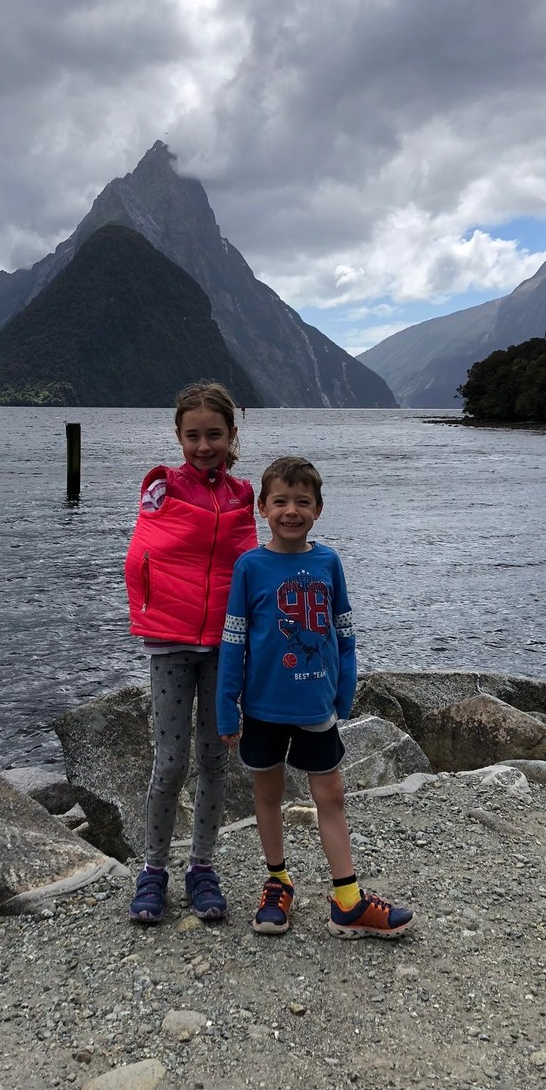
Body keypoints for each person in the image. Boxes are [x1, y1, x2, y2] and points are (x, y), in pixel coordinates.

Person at [216, 455, 415, 939]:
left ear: (318, 509)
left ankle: (347, 900)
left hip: (316, 706)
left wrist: (345, 687)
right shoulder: (249, 566)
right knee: (268, 793)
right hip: (261, 708)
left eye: (302, 501)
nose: (291, 510)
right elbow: (233, 639)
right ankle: (278, 881)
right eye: (280, 501)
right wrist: (227, 704)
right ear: (262, 506)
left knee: (331, 795)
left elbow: (343, 630)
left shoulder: (328, 562)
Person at [124, 381, 258, 924]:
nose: (204, 446)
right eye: (193, 435)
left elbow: (251, 567)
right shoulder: (163, 490)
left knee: (214, 759)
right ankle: (153, 869)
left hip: (224, 647)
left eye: (215, 435)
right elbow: (145, 552)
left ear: (231, 436)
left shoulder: (243, 495)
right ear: (178, 436)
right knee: (171, 761)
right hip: (171, 643)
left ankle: (202, 867)